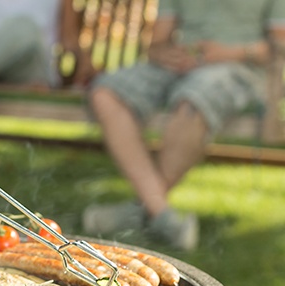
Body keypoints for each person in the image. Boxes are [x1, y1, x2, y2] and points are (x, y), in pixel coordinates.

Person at [82, 0, 285, 251]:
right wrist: (166, 53)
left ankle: (145, 210)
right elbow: (156, 44)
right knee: (106, 93)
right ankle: (161, 213)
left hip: (239, 69)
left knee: (192, 101)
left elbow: (279, 46)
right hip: (178, 67)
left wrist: (228, 53)